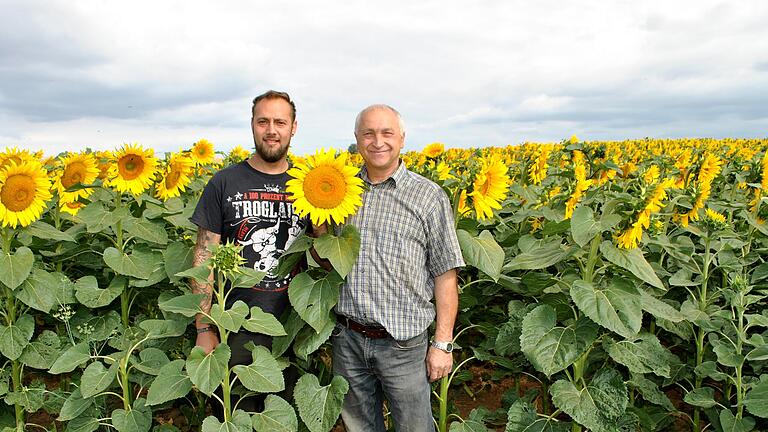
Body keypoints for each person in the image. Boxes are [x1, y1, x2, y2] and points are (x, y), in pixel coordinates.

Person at [331, 104, 465, 431]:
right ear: (357, 140)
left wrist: (443, 344)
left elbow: (445, 275)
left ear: (402, 138)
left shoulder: (428, 196)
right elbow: (327, 253)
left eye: (387, 133)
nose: (378, 141)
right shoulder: (341, 191)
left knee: (414, 427)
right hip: (348, 338)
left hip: (403, 344)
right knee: (360, 427)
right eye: (369, 133)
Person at [189, 90, 307, 411]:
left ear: (293, 127)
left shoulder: (308, 184)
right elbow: (204, 256)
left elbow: (322, 255)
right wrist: (203, 327)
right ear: (252, 125)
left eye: (280, 122)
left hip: (291, 326)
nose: (271, 130)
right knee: (235, 412)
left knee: (282, 415)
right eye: (263, 121)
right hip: (234, 325)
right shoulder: (225, 182)